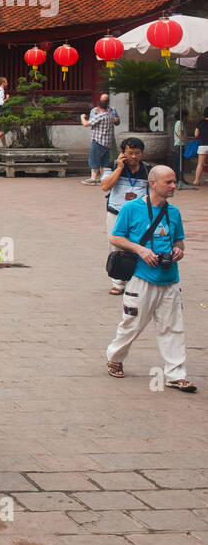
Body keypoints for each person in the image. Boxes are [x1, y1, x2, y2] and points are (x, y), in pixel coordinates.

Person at [105, 165, 196, 392]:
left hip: (170, 279)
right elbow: (116, 237)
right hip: (141, 278)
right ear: (153, 183)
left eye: (175, 181)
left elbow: (179, 240)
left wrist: (178, 250)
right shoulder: (131, 208)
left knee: (173, 328)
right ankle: (114, 357)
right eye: (169, 182)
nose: (174, 186)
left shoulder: (173, 213)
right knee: (132, 324)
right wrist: (140, 250)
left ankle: (176, 374)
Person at [100, 137, 150, 295]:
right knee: (115, 245)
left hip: (140, 215)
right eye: (130, 153)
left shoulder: (148, 170)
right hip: (116, 212)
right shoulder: (112, 166)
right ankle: (118, 283)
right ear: (122, 153)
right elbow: (105, 186)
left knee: (138, 245)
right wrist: (120, 168)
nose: (134, 157)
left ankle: (135, 281)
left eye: (137, 153)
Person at [80, 93, 119, 184]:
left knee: (94, 159)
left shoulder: (101, 115)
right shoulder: (111, 115)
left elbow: (86, 124)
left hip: (98, 140)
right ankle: (103, 179)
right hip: (107, 142)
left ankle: (93, 179)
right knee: (104, 161)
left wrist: (82, 117)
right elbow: (116, 120)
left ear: (99, 106)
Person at [193, 107, 208, 187]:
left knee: (200, 164)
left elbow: (196, 135)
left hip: (202, 145)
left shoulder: (200, 123)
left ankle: (196, 180)